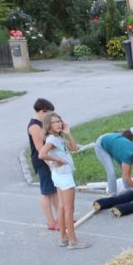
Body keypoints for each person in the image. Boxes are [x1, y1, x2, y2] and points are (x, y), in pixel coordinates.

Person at [38, 112, 90, 250]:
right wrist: (58, 160)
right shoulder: (52, 140)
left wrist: (68, 133)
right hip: (64, 176)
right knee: (69, 209)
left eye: (59, 121)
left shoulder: (57, 139)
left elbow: (74, 148)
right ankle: (73, 241)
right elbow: (41, 154)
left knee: (62, 207)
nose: (59, 123)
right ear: (49, 126)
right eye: (55, 122)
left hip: (59, 175)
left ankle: (63, 238)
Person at [27, 98, 59, 230]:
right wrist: (50, 164)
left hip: (48, 159)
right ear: (42, 111)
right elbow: (40, 148)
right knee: (46, 192)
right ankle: (51, 222)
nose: (50, 117)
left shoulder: (41, 123)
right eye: (49, 114)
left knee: (54, 190)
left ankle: (60, 217)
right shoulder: (34, 126)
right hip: (41, 162)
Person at [94, 131, 133, 196]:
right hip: (101, 145)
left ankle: (128, 189)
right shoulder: (126, 157)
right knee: (111, 172)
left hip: (113, 139)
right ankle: (111, 194)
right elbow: (127, 177)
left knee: (125, 171)